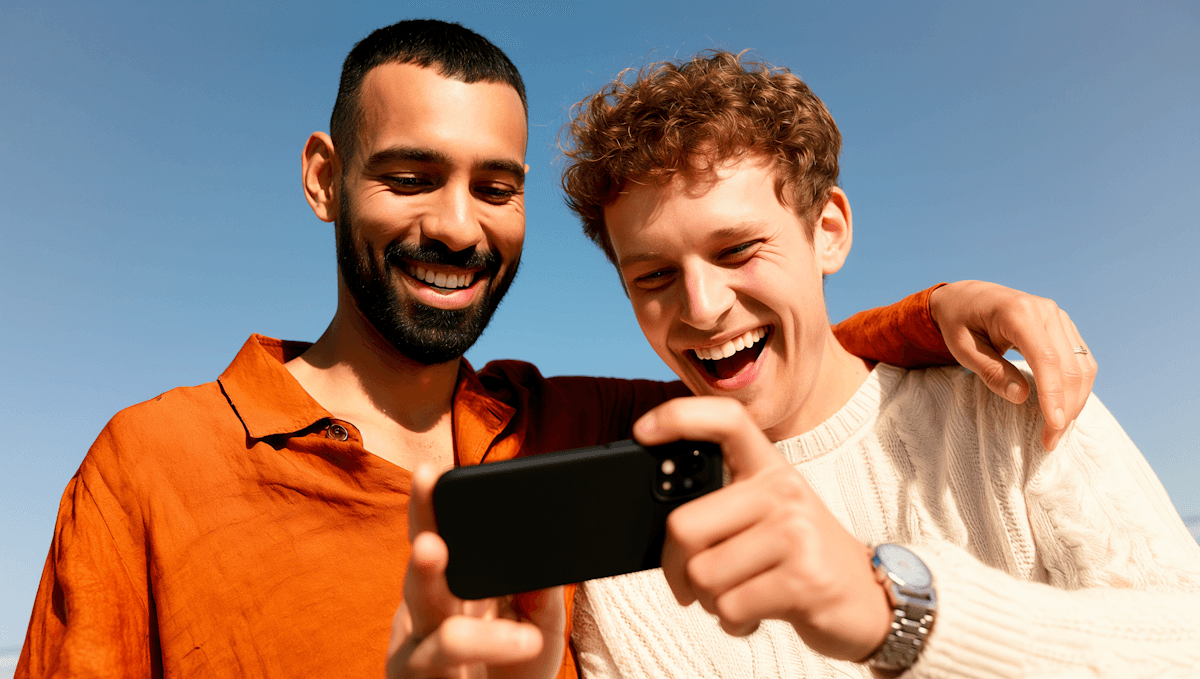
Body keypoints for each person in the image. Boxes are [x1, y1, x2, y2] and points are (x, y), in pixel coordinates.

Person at [18, 21, 1098, 679]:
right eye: (408, 175)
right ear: (322, 178)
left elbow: (766, 369)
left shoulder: (583, 431)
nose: (456, 225)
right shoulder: (151, 464)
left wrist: (940, 312)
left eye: (496, 186)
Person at [549, 51, 1198, 677]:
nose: (703, 306)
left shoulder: (1015, 413)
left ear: (827, 229)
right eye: (655, 274)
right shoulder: (623, 554)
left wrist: (903, 615)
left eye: (738, 249)